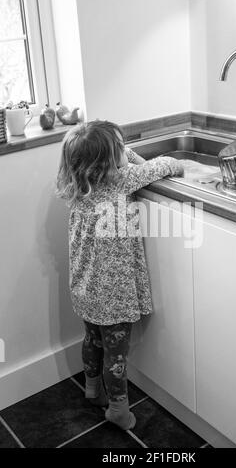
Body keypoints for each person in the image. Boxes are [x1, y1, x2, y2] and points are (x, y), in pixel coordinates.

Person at [56, 120, 183, 430]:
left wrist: (121, 150)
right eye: (120, 149)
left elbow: (120, 157)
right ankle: (117, 409)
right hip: (115, 294)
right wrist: (155, 160)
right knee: (117, 354)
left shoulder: (80, 186)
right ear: (110, 163)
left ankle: (91, 388)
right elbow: (167, 165)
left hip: (85, 288)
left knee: (92, 339)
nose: (125, 153)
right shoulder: (122, 181)